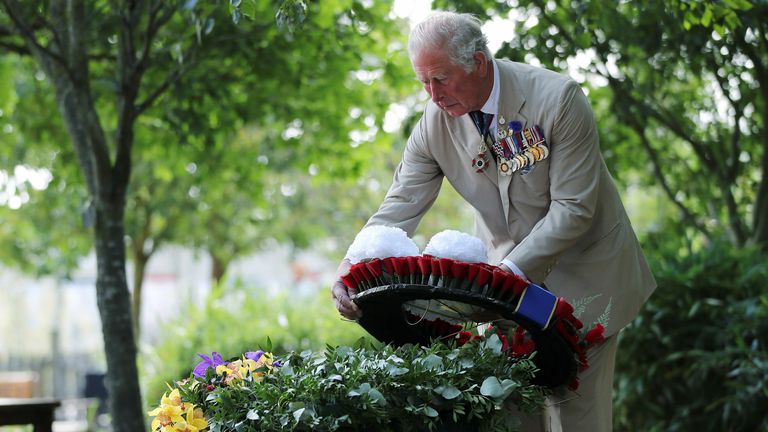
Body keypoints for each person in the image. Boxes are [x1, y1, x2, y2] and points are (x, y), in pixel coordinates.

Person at [331, 11, 656, 432]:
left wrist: (504, 280)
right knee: (511, 412)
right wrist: (349, 266)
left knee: (575, 414)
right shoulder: (434, 122)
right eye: (423, 82)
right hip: (502, 290)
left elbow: (574, 208)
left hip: (585, 280)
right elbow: (401, 203)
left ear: (479, 62)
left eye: (441, 79)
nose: (433, 95)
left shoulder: (559, 98)